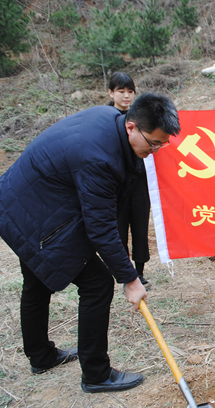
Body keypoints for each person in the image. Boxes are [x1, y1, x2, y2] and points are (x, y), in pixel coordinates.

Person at [0, 93, 180, 393]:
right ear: (132, 127)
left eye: (162, 145)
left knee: (36, 281)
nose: (156, 150)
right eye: (153, 143)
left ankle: (40, 355)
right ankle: (96, 374)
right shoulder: (99, 158)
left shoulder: (110, 121)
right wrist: (130, 278)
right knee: (97, 283)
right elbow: (101, 229)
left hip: (22, 202)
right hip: (31, 213)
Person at [108, 72, 152, 289]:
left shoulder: (141, 116)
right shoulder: (106, 117)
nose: (126, 96)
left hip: (140, 183)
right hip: (116, 184)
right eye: (121, 91)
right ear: (111, 92)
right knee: (119, 228)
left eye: (130, 92)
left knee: (140, 227)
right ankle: (124, 272)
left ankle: (140, 272)